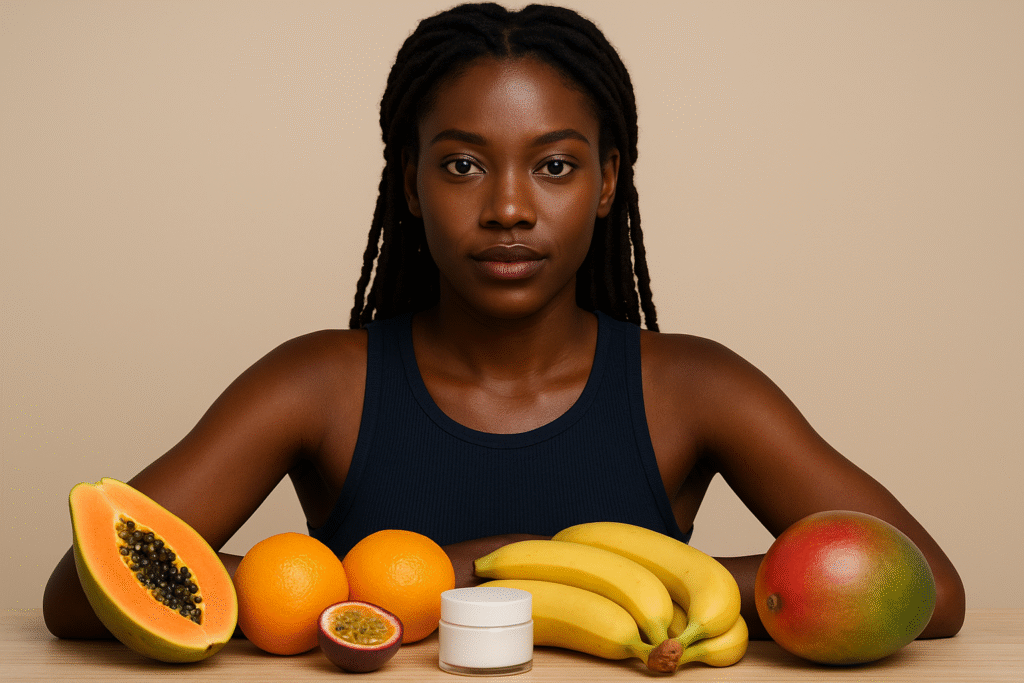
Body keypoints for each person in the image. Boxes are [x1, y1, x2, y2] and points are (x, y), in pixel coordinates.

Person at [43, 2, 965, 641]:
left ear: (607, 182)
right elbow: (76, 596)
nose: (510, 208)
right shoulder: (318, 383)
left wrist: (555, 571)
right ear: (410, 184)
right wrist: (424, 581)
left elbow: (933, 590)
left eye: (555, 166)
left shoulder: (694, 387)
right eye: (462, 165)